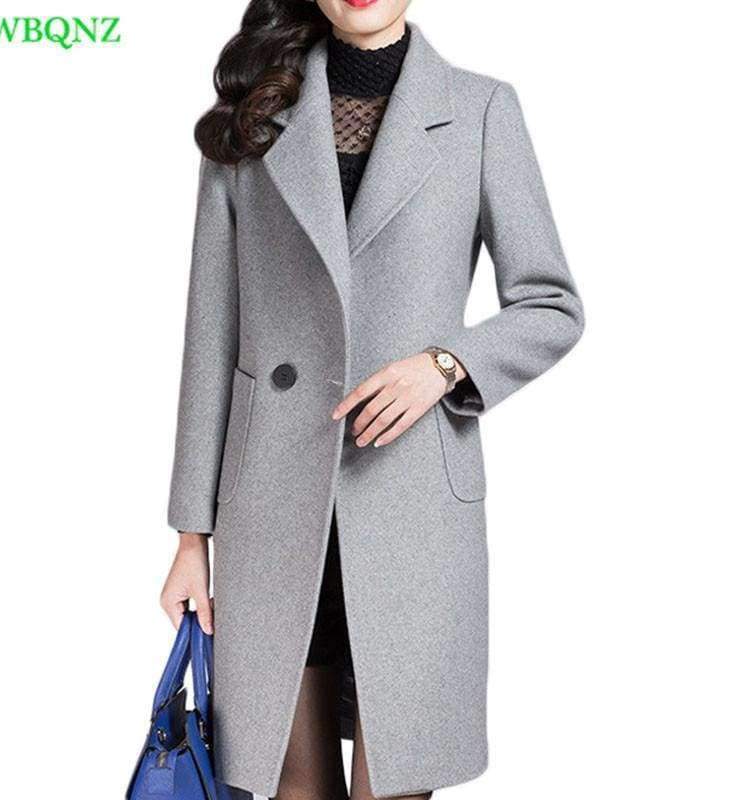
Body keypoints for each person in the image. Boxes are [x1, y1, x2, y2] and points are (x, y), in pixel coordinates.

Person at [161, 1, 584, 798]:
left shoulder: (481, 109)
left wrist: (444, 365)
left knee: (398, 779)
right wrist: (190, 537)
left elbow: (551, 304)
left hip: (411, 506)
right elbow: (210, 336)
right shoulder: (252, 113)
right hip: (273, 510)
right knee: (293, 781)